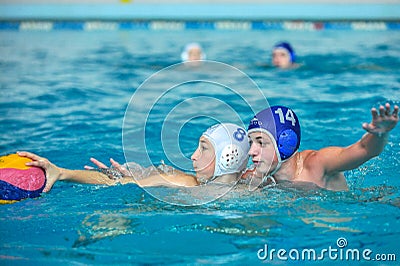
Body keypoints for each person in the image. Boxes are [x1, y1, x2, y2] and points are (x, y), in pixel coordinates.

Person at [17, 123, 249, 192]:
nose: (193, 155)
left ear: (228, 157)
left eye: (204, 148)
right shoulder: (182, 181)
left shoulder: (254, 190)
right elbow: (115, 181)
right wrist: (63, 173)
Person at [244, 103, 399, 191]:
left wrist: (379, 134)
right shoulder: (258, 177)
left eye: (261, 143)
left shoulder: (317, 163)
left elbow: (365, 150)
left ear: (286, 143)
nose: (252, 152)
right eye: (251, 143)